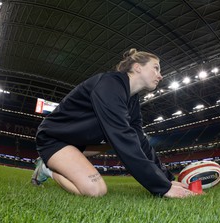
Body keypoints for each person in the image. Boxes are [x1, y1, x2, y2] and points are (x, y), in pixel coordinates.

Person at [32, 48, 197, 198]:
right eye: (156, 67)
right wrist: (162, 188)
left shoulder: (132, 100)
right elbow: (122, 137)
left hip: (79, 143)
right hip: (55, 139)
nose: (160, 75)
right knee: (95, 190)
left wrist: (167, 180)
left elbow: (140, 141)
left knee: (128, 140)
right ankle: (47, 168)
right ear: (137, 67)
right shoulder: (109, 85)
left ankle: (62, 162)